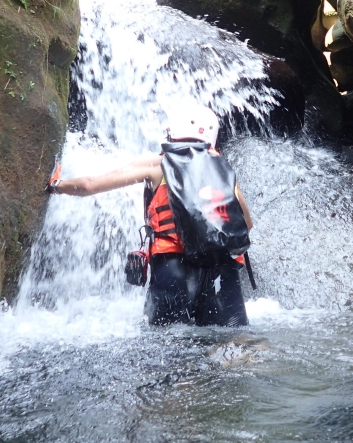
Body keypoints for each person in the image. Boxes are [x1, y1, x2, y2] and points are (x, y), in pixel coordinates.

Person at [49, 105, 253, 327]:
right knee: (231, 346)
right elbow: (247, 224)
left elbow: (89, 186)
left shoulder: (159, 164)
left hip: (173, 266)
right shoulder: (222, 170)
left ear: (173, 131)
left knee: (167, 350)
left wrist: (57, 185)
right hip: (222, 269)